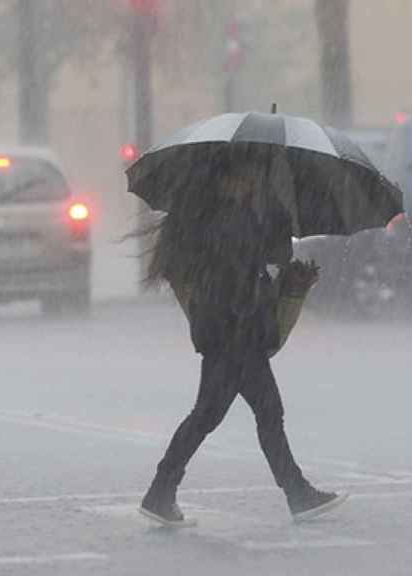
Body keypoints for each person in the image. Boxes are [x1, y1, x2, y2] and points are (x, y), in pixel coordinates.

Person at [138, 154, 348, 526]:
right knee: (249, 415)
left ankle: (162, 491)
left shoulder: (221, 219)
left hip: (229, 334)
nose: (249, 183)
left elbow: (251, 270)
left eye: (252, 177)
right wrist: (272, 248)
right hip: (236, 336)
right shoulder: (233, 221)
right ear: (226, 182)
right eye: (245, 178)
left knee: (223, 416)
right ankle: (296, 494)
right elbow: (244, 276)